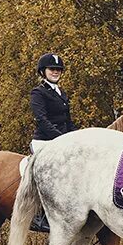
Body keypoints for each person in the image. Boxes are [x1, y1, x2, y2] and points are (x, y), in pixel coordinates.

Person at [29, 53, 77, 231]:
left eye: (58, 70)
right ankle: (40, 215)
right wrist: (61, 139)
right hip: (44, 141)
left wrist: (79, 137)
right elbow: (41, 119)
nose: (55, 72)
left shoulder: (61, 93)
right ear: (43, 71)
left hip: (63, 141)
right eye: (52, 69)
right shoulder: (38, 92)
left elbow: (68, 121)